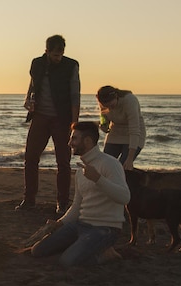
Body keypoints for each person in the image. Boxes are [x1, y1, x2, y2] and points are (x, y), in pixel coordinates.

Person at [30, 121, 130, 267]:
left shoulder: (110, 164)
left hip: (105, 229)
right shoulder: (80, 171)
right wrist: (60, 223)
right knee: (37, 251)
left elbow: (125, 197)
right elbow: (77, 205)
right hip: (80, 225)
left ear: (88, 141)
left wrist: (98, 179)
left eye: (74, 139)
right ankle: (82, 248)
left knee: (68, 261)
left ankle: (107, 254)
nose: (70, 143)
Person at [16, 34, 81, 213]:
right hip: (40, 117)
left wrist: (74, 123)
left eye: (60, 55)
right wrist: (27, 98)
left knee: (63, 161)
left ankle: (62, 202)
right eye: (54, 55)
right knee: (30, 158)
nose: (57, 58)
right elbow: (33, 83)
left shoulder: (71, 65)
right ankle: (29, 199)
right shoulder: (37, 63)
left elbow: (75, 95)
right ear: (47, 52)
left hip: (62, 119)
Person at [96, 85, 146, 170]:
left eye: (111, 105)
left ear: (116, 97)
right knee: (105, 165)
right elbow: (105, 122)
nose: (109, 108)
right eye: (106, 106)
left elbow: (134, 130)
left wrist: (130, 159)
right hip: (115, 133)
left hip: (134, 134)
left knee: (122, 166)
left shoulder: (130, 101)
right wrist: (103, 126)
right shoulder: (103, 105)